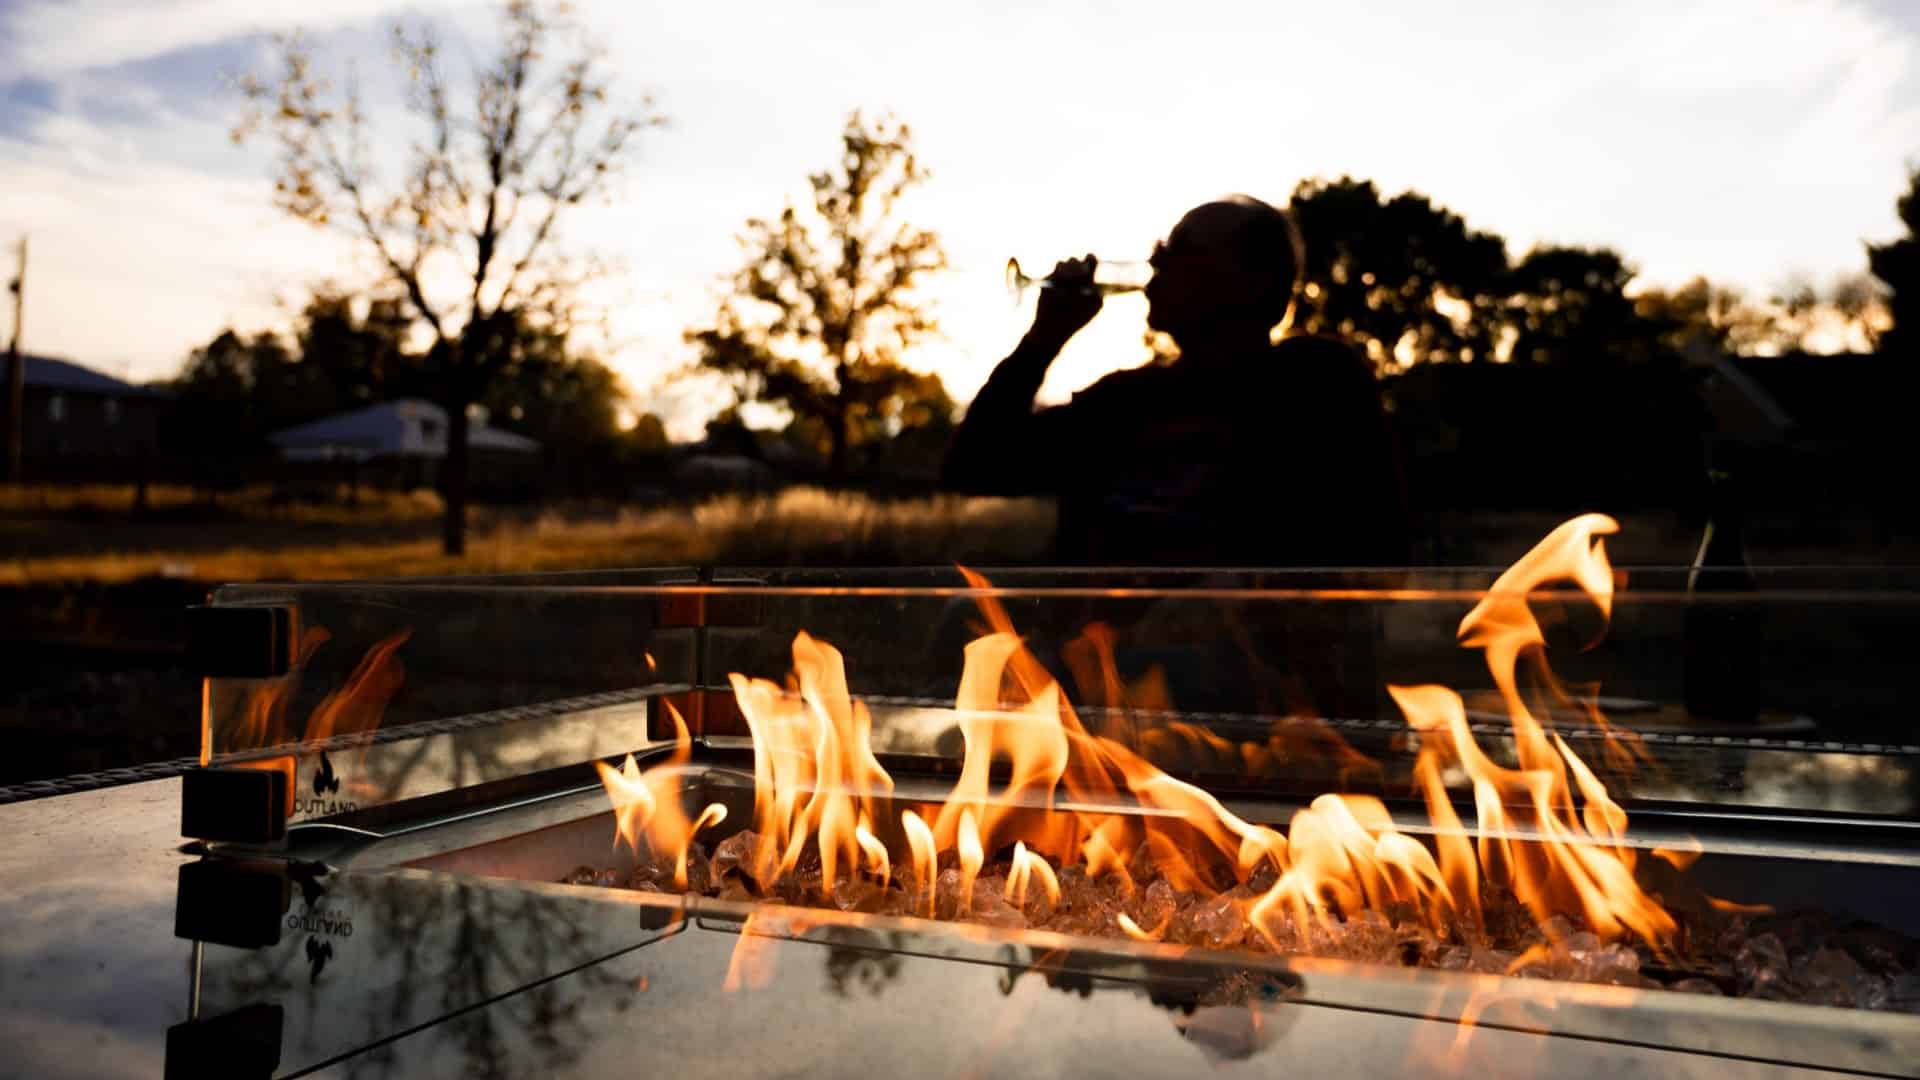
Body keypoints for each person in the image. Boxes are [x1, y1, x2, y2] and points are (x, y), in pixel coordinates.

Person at [943, 195, 1410, 566]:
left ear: (1254, 282)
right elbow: (974, 467)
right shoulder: (1122, 401)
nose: (1154, 263)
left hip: (1252, 672)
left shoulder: (1316, 382)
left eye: (1178, 251)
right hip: (1114, 675)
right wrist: (1043, 340)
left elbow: (1378, 547)